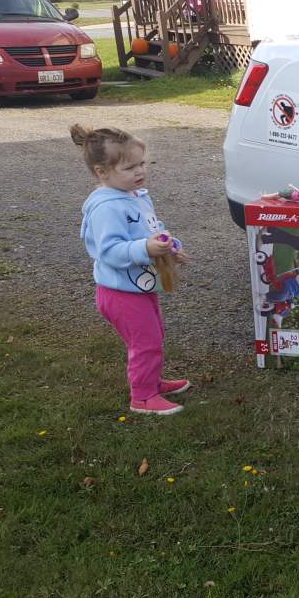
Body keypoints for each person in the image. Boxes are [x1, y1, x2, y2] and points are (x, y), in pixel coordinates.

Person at [74, 124, 191, 416]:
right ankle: (142, 397)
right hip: (119, 293)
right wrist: (145, 250)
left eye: (142, 163)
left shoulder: (135, 195)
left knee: (155, 334)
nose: (140, 171)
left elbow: (153, 229)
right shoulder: (106, 208)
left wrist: (171, 247)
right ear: (102, 172)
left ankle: (151, 380)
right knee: (145, 341)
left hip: (137, 288)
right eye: (130, 167)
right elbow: (109, 251)